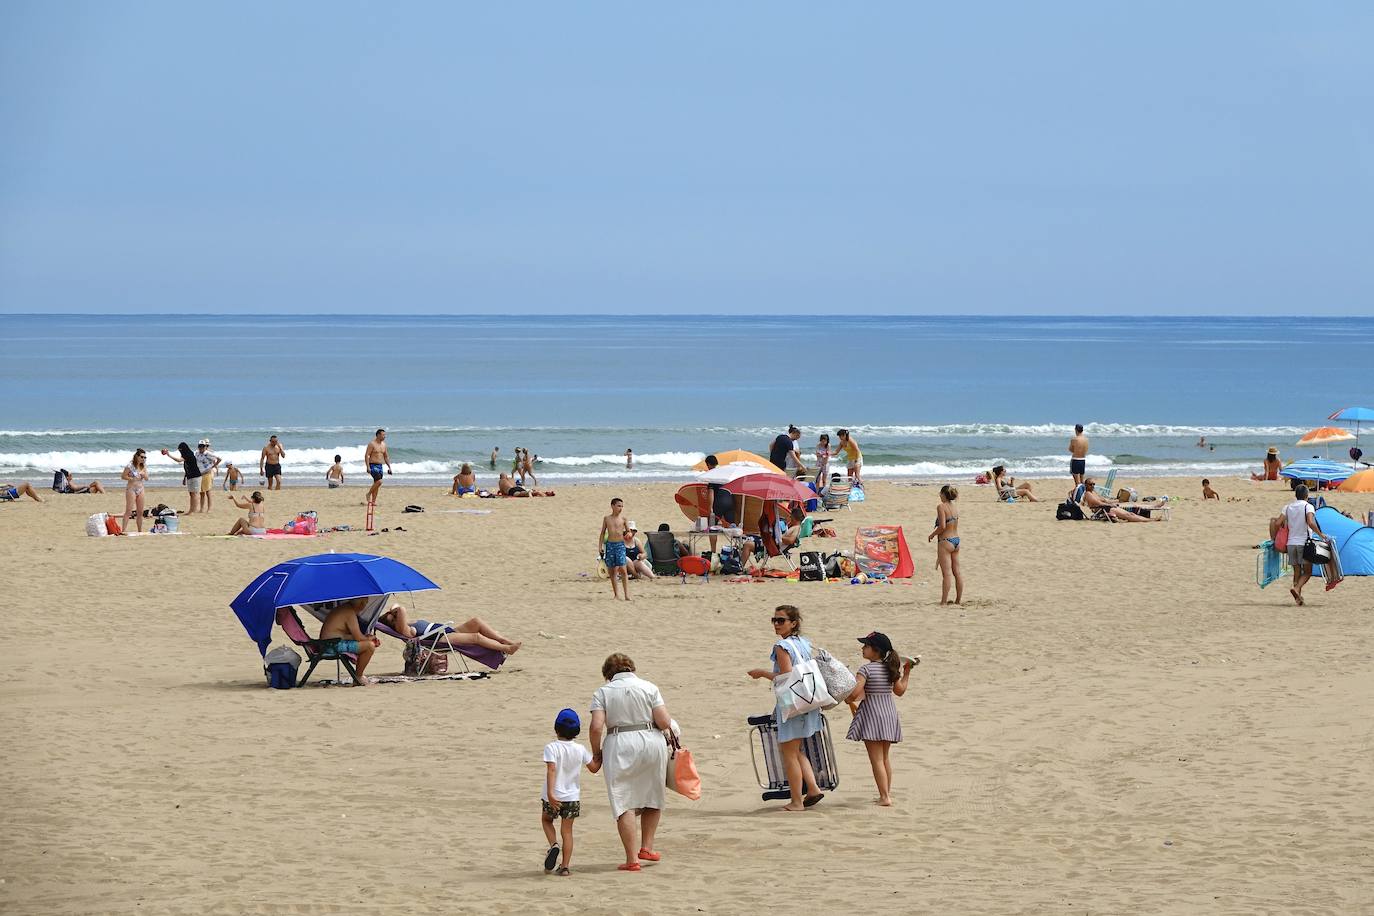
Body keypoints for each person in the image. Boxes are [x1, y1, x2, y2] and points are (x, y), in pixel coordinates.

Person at [589, 653, 673, 871]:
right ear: (632, 669)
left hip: (619, 742)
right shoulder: (649, 687)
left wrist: (596, 753)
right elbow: (664, 721)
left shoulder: (603, 692)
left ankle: (631, 859)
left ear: (608, 674)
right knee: (653, 794)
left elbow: (596, 727)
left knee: (623, 799)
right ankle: (647, 847)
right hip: (651, 741)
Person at [747, 605, 825, 812]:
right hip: (810, 699)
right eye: (774, 620)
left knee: (789, 752)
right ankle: (814, 789)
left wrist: (762, 673)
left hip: (793, 703)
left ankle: (797, 801)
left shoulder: (781, 647)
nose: (776, 624)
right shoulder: (804, 643)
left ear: (793, 623)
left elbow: (786, 675)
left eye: (781, 620)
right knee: (795, 749)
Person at [845, 631, 915, 806]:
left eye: (866, 646)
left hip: (872, 714)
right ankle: (885, 794)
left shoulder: (865, 669)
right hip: (889, 713)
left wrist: (845, 696)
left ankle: (885, 797)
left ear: (875, 650)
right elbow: (900, 691)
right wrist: (906, 672)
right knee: (884, 758)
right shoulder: (890, 668)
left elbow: (854, 694)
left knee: (876, 759)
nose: (862, 648)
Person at [541, 708, 601, 877]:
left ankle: (553, 845)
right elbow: (594, 768)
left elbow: (551, 770)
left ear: (556, 728)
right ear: (576, 731)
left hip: (553, 796)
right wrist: (601, 754)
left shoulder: (551, 747)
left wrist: (551, 794)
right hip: (572, 797)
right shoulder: (580, 749)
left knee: (547, 820)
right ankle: (565, 866)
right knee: (567, 832)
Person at [378, 604, 522, 655]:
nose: (396, 617)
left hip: (447, 631)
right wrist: (394, 611)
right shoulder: (404, 630)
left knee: (476, 621)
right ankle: (506, 649)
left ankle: (503, 640)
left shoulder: (407, 623)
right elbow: (401, 608)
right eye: (393, 619)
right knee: (476, 637)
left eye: (394, 616)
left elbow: (399, 609)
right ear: (394, 624)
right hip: (440, 639)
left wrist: (390, 612)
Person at [318, 598, 379, 686]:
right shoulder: (349, 612)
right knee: (369, 646)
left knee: (367, 643)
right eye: (364, 604)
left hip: (328, 644)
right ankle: (358, 676)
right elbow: (358, 637)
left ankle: (358, 676)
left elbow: (344, 635)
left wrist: (367, 638)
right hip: (332, 646)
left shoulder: (343, 609)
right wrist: (370, 639)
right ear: (361, 605)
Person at [1282, 485, 1325, 606]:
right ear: (1306, 496)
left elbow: (1278, 522)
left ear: (1296, 495)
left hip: (1291, 543)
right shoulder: (1308, 506)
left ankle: (1298, 598)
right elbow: (1310, 522)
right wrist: (1320, 534)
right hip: (1304, 544)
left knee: (1297, 571)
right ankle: (1296, 590)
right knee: (1307, 572)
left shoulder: (1288, 507)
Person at [928, 484, 963, 605]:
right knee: (957, 572)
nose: (939, 495)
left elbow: (942, 526)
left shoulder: (941, 507)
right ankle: (958, 600)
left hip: (945, 541)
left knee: (947, 574)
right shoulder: (955, 507)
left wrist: (932, 534)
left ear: (944, 495)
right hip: (956, 540)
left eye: (940, 493)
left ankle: (943, 602)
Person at [1081, 478, 1161, 522]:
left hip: (1107, 507)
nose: (1092, 486)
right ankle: (1151, 520)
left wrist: (1117, 501)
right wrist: (1111, 504)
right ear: (1086, 485)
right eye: (1090, 484)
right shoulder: (1088, 494)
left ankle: (1154, 506)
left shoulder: (1093, 492)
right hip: (1105, 510)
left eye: (1093, 484)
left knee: (1132, 508)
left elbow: (1105, 500)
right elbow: (1099, 503)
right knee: (1129, 515)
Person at [599, 497, 631, 600]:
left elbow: (629, 531)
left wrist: (629, 534)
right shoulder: (607, 518)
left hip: (620, 545)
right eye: (618, 506)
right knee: (612, 571)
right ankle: (616, 594)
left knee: (623, 570)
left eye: (622, 506)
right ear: (612, 506)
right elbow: (603, 533)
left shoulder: (624, 519)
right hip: (610, 545)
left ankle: (626, 595)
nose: (620, 508)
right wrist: (600, 546)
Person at [162, 442, 202, 514]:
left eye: (181, 449)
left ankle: (193, 511)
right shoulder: (186, 455)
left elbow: (179, 460)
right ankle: (191, 510)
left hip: (196, 476)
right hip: (190, 476)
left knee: (194, 494)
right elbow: (187, 468)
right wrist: (185, 478)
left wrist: (169, 455)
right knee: (191, 494)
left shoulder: (189, 454)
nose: (180, 451)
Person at [120, 449, 148, 530]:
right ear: (137, 456)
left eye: (145, 457)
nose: (143, 459)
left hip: (140, 488)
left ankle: (140, 530)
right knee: (129, 511)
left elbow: (147, 478)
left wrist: (143, 475)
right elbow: (123, 476)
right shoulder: (130, 466)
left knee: (140, 512)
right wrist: (131, 478)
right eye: (142, 457)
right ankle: (123, 530)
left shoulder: (143, 466)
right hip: (131, 489)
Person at [365, 429, 391, 506]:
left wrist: (389, 467)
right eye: (383, 435)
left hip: (380, 466)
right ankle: (368, 494)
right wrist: (368, 467)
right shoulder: (372, 444)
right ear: (378, 435)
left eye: (385, 435)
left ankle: (373, 502)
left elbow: (386, 456)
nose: (384, 436)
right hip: (373, 465)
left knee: (376, 484)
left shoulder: (384, 445)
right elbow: (367, 455)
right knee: (379, 481)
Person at [195, 439, 220, 512]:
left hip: (207, 474)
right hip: (199, 474)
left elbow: (219, 459)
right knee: (201, 493)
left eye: (203, 446)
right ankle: (201, 509)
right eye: (200, 446)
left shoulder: (208, 453)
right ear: (198, 446)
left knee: (208, 492)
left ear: (205, 447)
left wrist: (213, 467)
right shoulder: (196, 453)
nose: (201, 448)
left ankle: (209, 509)